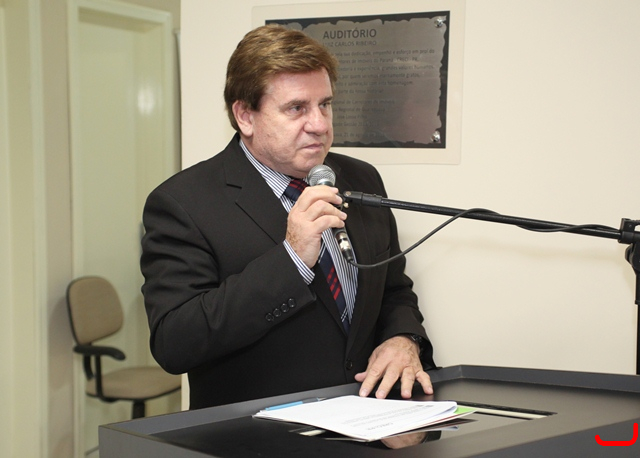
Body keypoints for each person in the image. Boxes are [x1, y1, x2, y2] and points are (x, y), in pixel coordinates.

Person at [140, 24, 436, 409]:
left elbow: (393, 289)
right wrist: (292, 258)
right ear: (245, 116)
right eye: (297, 108)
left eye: (325, 104)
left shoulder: (361, 178)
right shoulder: (183, 203)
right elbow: (175, 343)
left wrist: (403, 339)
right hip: (258, 430)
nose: (320, 124)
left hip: (368, 418)